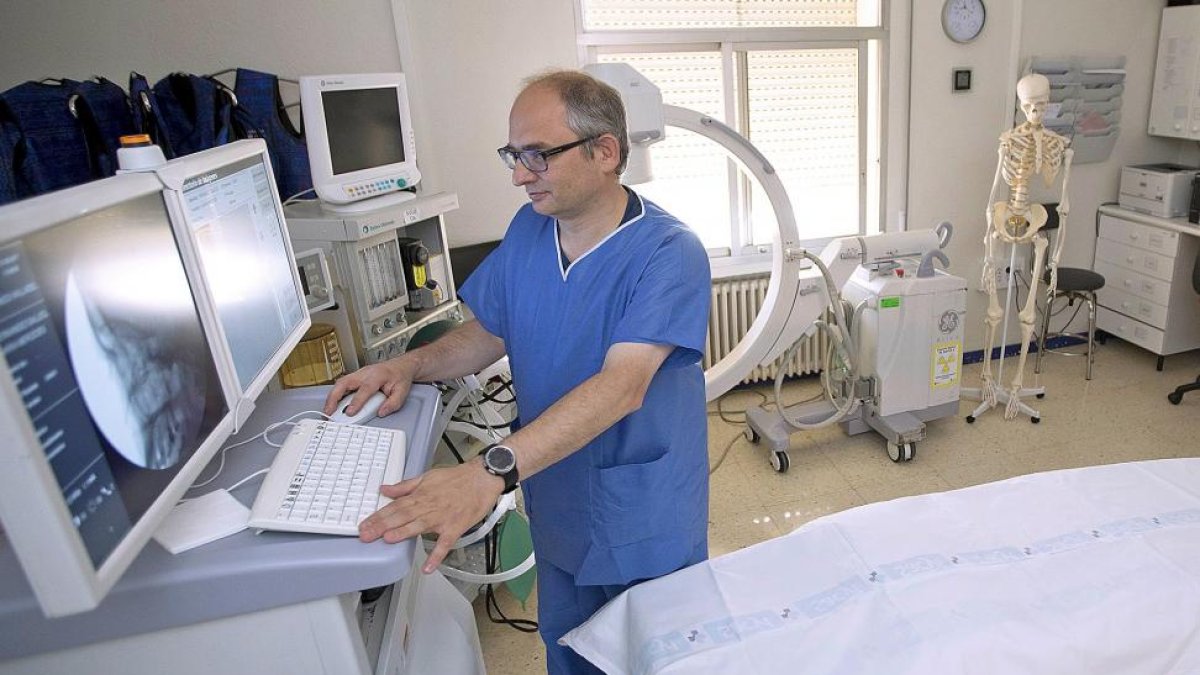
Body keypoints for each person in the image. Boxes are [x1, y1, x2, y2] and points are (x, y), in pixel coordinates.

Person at [324, 69, 711, 674]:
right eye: (513, 154)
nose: (518, 174)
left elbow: (622, 385)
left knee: (652, 658)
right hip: (556, 496)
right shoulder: (530, 230)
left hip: (641, 513)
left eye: (537, 155)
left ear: (604, 151)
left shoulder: (668, 253)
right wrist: (408, 365)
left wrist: (487, 471)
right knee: (572, 649)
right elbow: (490, 331)